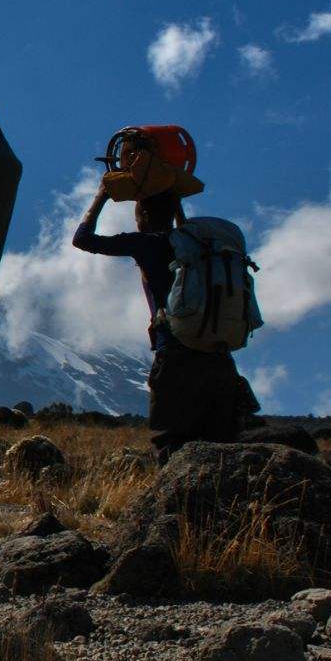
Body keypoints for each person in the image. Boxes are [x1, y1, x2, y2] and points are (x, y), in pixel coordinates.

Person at [72, 185, 256, 463]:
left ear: (144, 215)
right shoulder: (196, 248)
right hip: (218, 358)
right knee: (222, 449)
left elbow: (82, 239)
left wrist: (102, 195)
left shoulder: (146, 244)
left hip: (175, 358)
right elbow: (183, 230)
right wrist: (176, 204)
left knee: (171, 446)